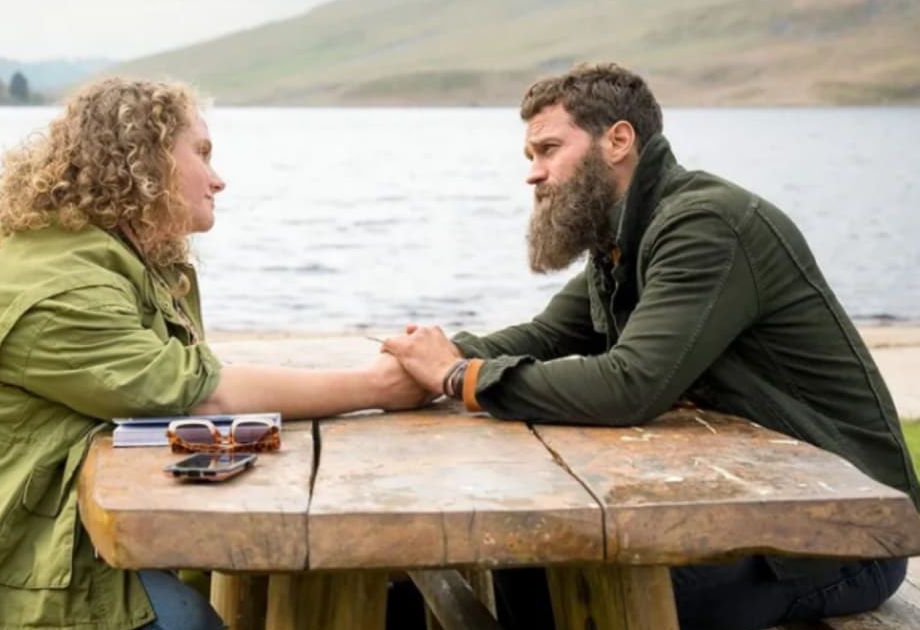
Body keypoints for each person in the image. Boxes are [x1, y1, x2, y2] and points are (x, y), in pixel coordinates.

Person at [0, 76, 430, 630]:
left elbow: (183, 382)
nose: (218, 178)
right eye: (201, 153)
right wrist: (378, 388)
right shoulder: (62, 285)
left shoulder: (96, 252)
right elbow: (200, 393)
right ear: (142, 162)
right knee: (191, 621)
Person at [381, 62, 918, 630]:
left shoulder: (704, 225)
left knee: (552, 590)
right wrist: (422, 360)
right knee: (517, 564)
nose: (533, 175)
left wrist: (458, 377)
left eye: (547, 150)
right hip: (755, 504)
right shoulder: (627, 237)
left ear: (618, 140)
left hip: (842, 534)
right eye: (530, 156)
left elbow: (628, 385)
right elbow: (544, 334)